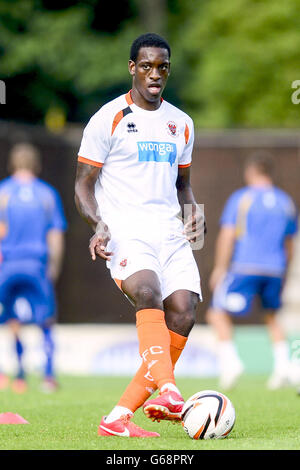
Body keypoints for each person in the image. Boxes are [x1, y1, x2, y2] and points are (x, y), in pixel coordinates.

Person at [75, 33, 205, 438]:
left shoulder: (181, 123)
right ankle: (168, 389)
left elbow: (183, 185)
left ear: (169, 69)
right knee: (147, 292)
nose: (155, 74)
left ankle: (117, 419)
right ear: (133, 68)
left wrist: (194, 214)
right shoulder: (108, 118)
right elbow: (82, 185)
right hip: (126, 230)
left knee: (184, 311)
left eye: (162, 67)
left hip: (170, 232)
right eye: (146, 66)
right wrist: (99, 225)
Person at [206, 151, 299, 390]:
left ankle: (232, 363)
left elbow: (228, 235)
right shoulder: (284, 202)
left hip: (245, 267)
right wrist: (284, 268)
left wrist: (220, 268)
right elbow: (289, 242)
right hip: (275, 270)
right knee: (271, 316)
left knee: (217, 313)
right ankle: (284, 367)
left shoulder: (242, 198)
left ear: (251, 172)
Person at [0, 142, 67, 393]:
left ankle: (18, 374)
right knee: (46, 320)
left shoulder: (3, 192)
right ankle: (48, 376)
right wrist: (54, 267)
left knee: (12, 319)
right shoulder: (47, 194)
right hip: (36, 265)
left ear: (12, 164)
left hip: (8, 266)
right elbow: (55, 237)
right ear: (36, 165)